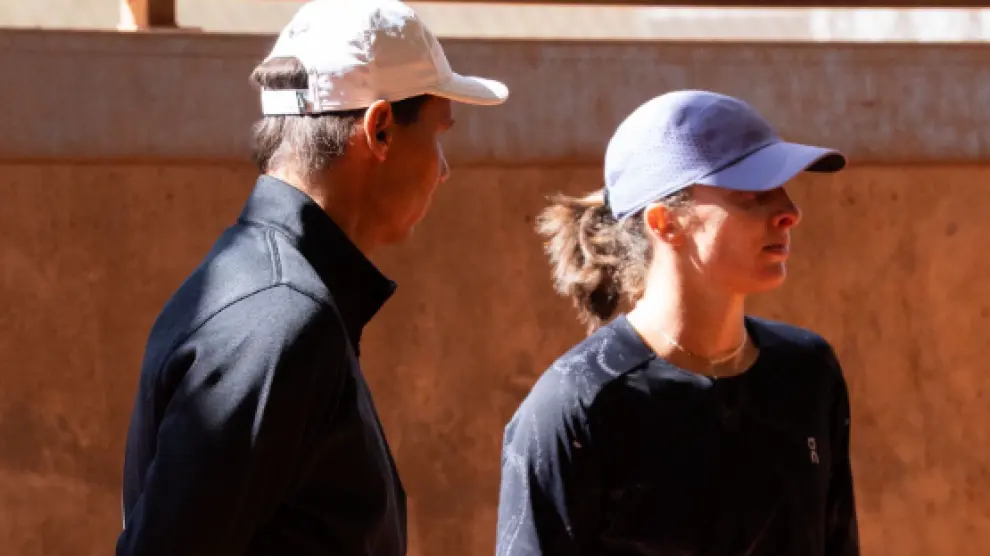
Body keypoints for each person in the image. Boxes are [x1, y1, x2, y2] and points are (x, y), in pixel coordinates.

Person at [115, 1, 508, 555]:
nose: (444, 168)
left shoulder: (268, 293)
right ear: (380, 130)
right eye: (438, 133)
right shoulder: (277, 322)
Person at [495, 90, 858, 556]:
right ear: (665, 222)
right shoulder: (577, 404)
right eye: (752, 194)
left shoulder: (808, 374)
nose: (790, 212)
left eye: (784, 188)